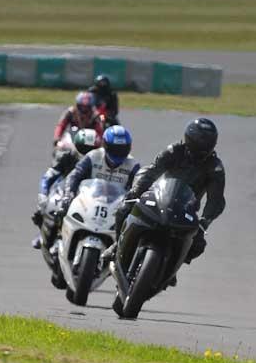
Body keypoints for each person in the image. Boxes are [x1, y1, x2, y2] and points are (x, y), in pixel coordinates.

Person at [101, 118, 226, 284]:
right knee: (124, 209)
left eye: (205, 143)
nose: (201, 146)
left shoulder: (215, 167)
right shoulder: (175, 151)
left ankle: (171, 268)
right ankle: (117, 246)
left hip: (186, 209)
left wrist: (205, 222)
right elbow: (152, 171)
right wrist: (135, 192)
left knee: (198, 244)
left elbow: (216, 200)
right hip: (158, 196)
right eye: (199, 142)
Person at [31, 128, 100, 249]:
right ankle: (44, 235)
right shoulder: (67, 156)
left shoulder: (100, 162)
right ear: (77, 145)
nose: (88, 153)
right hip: (64, 190)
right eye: (84, 148)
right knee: (48, 208)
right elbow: (48, 176)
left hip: (89, 196)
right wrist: (43, 195)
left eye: (92, 149)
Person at [61, 125, 140, 212]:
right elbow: (74, 175)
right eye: (115, 149)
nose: (118, 152)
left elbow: (140, 187)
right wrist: (68, 194)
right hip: (88, 206)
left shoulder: (133, 165)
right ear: (105, 145)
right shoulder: (93, 156)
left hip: (117, 211)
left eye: (122, 149)